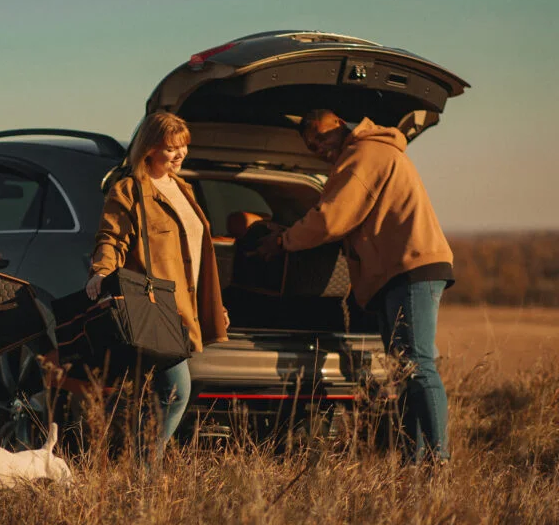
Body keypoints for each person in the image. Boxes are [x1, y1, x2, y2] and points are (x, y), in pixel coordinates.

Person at [258, 109, 454, 463]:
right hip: (401, 269)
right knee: (407, 366)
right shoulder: (368, 152)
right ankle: (415, 458)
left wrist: (284, 241)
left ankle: (438, 461)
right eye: (310, 144)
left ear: (340, 125)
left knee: (418, 364)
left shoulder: (363, 154)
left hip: (410, 266)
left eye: (321, 136)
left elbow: (331, 218)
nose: (317, 146)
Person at [85, 112, 229, 447]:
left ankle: (118, 458)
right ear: (149, 148)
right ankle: (143, 471)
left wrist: (211, 306)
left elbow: (196, 254)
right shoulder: (129, 190)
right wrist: (102, 271)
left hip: (183, 306)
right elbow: (112, 237)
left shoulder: (183, 188)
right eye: (170, 148)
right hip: (156, 308)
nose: (179, 155)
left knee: (152, 392)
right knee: (176, 392)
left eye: (183, 147)